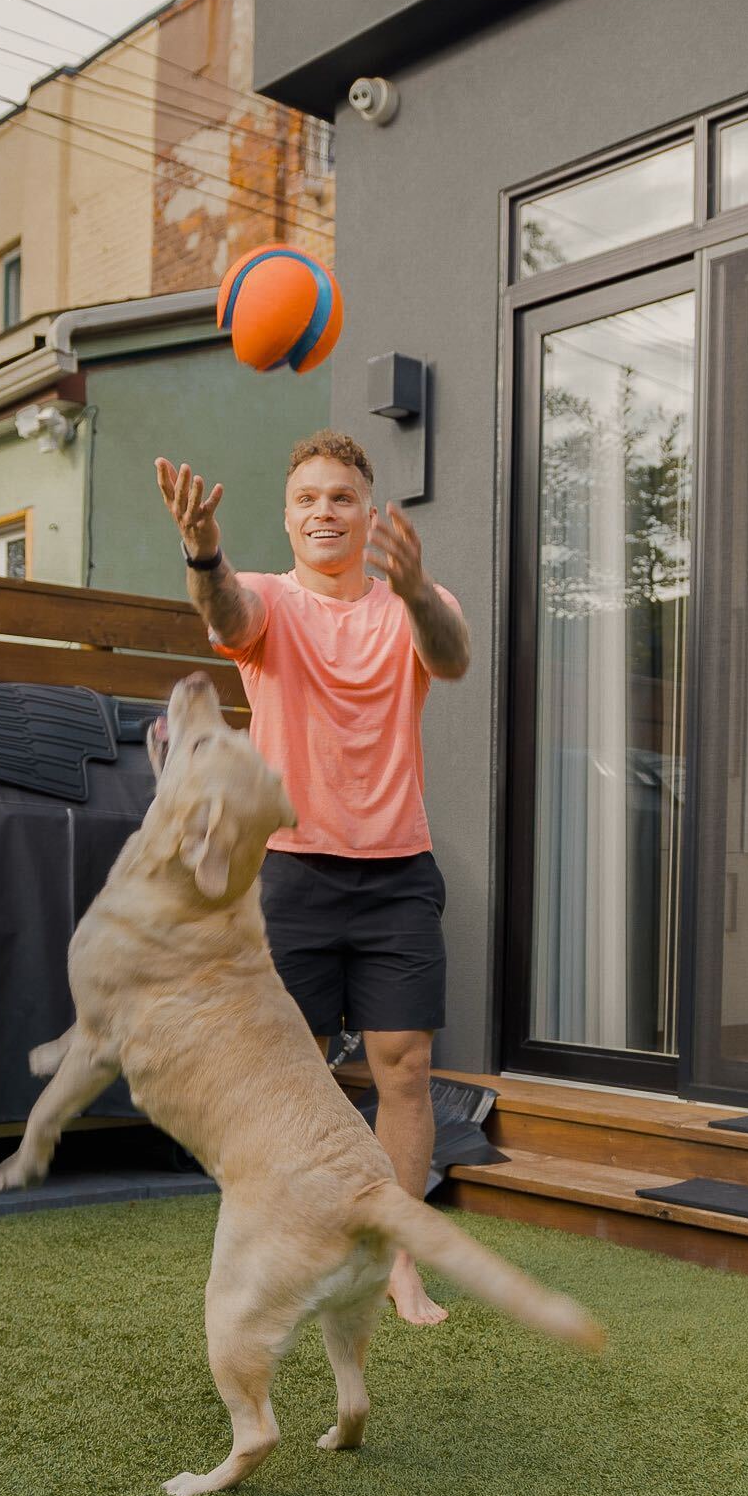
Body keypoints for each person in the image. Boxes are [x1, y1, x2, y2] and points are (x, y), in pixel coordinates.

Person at [154, 430, 470, 1325]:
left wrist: (412, 589)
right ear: (287, 517)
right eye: (307, 499)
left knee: (404, 1068)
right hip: (290, 871)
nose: (324, 511)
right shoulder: (267, 600)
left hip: (398, 870)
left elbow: (449, 658)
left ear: (367, 512)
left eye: (340, 497)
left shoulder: (417, 602)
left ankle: (398, 1259)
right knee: (283, 1080)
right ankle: (285, 1242)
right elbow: (222, 617)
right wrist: (203, 551)